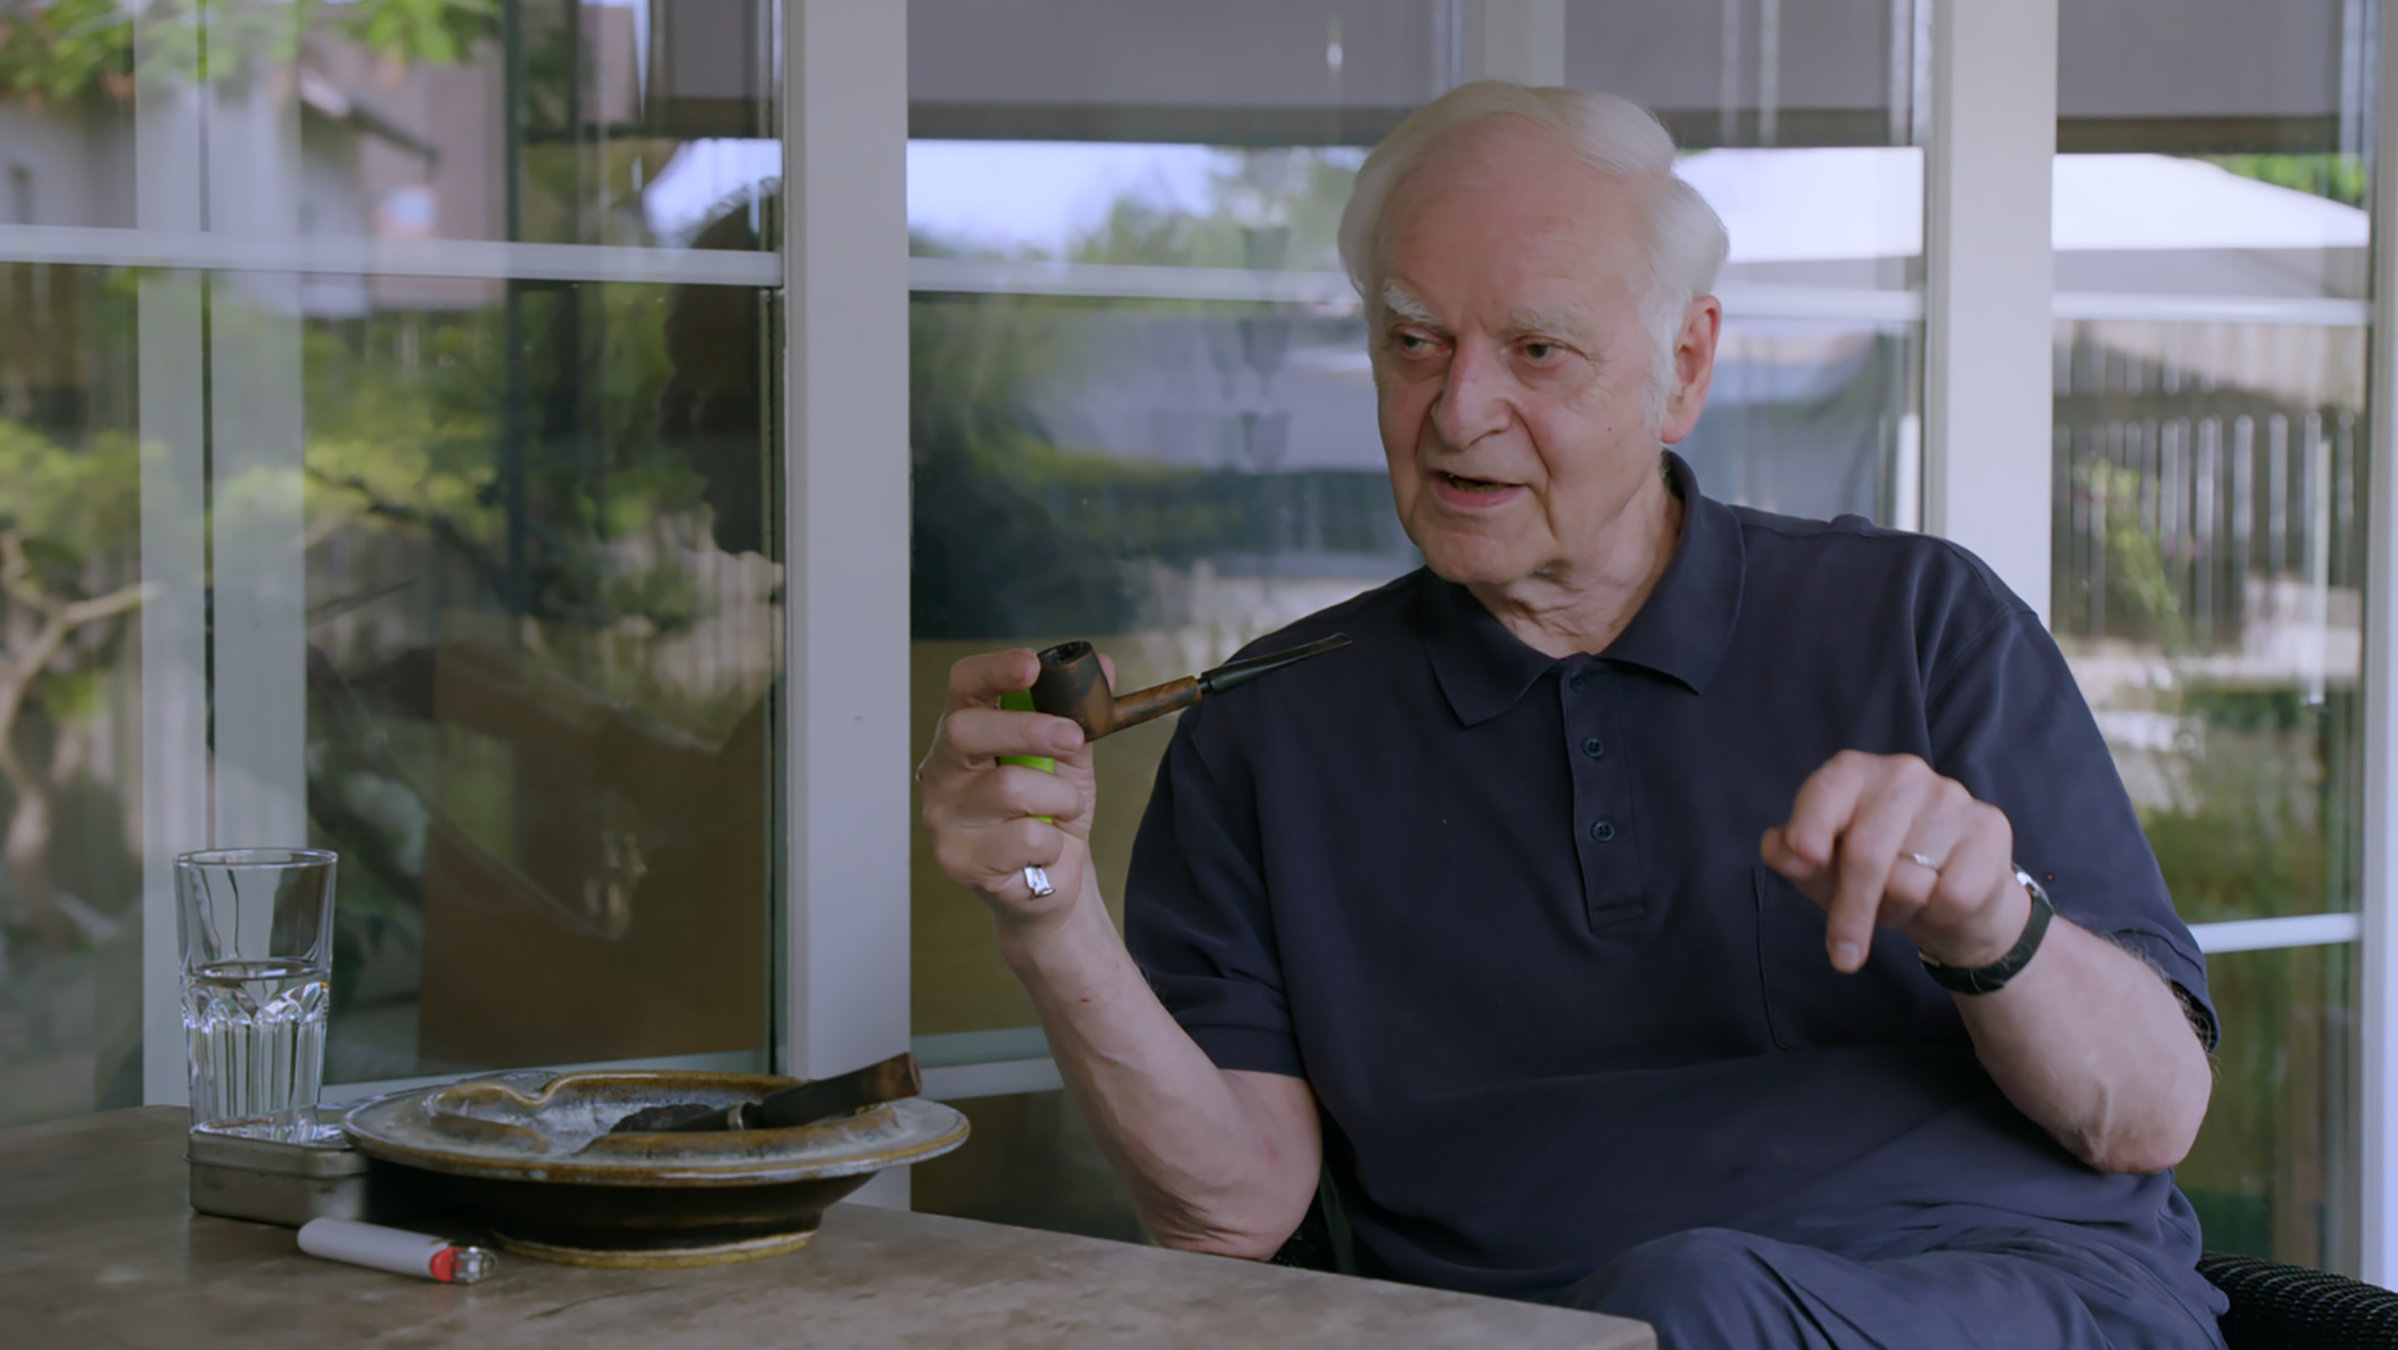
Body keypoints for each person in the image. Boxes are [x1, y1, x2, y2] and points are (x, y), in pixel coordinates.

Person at [915, 82, 2226, 1349]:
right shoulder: (1268, 728)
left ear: (1683, 365)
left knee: (1693, 1293)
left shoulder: (1920, 618)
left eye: (1535, 349)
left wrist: (1988, 923)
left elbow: (2151, 1115)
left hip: (2013, 1294)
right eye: (1411, 340)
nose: (1456, 410)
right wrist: (1048, 920)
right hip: (1539, 1329)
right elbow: (1229, 1213)